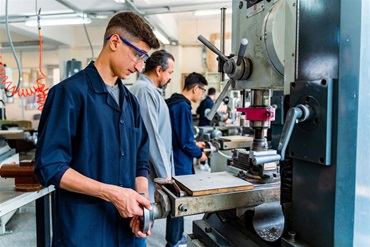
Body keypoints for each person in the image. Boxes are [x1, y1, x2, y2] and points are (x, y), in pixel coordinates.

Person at [34, 12, 160, 247]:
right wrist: (113, 194)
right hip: (84, 231)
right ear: (114, 42)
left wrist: (141, 204)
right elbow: (49, 166)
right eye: (137, 55)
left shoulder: (130, 103)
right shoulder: (68, 94)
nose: (140, 67)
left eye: (144, 59)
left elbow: (140, 162)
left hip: (126, 232)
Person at [129, 50, 175, 246]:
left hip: (150, 173)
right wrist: (165, 178)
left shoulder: (149, 91)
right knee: (140, 225)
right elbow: (150, 138)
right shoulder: (143, 90)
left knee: (144, 226)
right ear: (159, 70)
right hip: (146, 174)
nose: (170, 77)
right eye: (170, 72)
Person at [165, 72, 208, 247]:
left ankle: (177, 236)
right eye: (202, 91)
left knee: (176, 202)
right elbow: (184, 141)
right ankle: (174, 241)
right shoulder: (182, 106)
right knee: (179, 202)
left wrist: (194, 143)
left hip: (172, 157)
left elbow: (178, 136)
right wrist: (200, 154)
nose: (202, 95)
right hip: (179, 163)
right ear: (195, 88)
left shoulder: (173, 102)